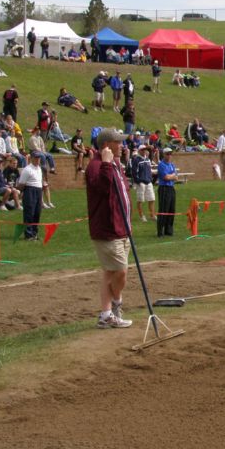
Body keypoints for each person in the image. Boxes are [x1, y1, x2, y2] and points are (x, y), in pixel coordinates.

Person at [85, 128, 133, 330]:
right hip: (107, 229)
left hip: (122, 227)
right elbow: (102, 188)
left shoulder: (115, 165)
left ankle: (106, 314)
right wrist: (106, 164)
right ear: (107, 145)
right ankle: (115, 307)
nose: (122, 146)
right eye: (118, 142)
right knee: (119, 271)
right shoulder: (97, 166)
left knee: (111, 273)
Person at [17, 151, 45, 240]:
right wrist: (20, 194)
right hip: (30, 190)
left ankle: (34, 233)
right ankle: (28, 234)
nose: (38, 160)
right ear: (32, 158)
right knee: (29, 213)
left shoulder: (39, 169)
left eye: (39, 158)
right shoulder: (27, 169)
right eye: (36, 158)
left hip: (38, 191)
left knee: (37, 213)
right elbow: (21, 184)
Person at [132, 145, 156, 222]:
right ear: (139, 151)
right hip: (141, 183)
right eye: (142, 150)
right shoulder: (136, 160)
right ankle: (142, 216)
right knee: (140, 200)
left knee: (151, 199)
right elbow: (134, 172)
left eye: (145, 150)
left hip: (148, 181)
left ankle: (152, 215)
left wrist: (150, 179)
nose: (144, 151)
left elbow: (149, 170)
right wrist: (138, 181)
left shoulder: (148, 159)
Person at [156, 147, 177, 237]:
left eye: (170, 154)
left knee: (171, 209)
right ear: (164, 154)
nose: (169, 156)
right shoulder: (161, 165)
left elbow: (176, 177)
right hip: (164, 188)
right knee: (164, 209)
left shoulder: (172, 165)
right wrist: (172, 176)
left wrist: (171, 176)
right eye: (167, 154)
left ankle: (168, 230)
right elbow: (166, 177)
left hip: (171, 188)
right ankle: (160, 231)